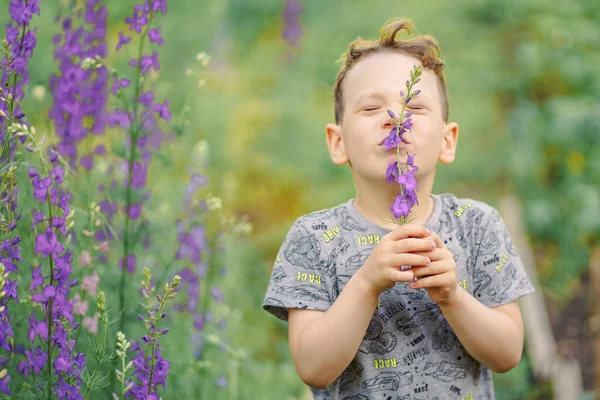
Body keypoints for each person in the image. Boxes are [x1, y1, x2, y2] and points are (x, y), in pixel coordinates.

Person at [262, 17, 534, 400]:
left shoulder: (476, 224)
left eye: (416, 107)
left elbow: (507, 354)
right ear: (337, 143)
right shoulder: (314, 237)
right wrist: (367, 282)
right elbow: (313, 369)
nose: (396, 117)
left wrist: (452, 296)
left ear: (447, 140)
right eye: (372, 108)